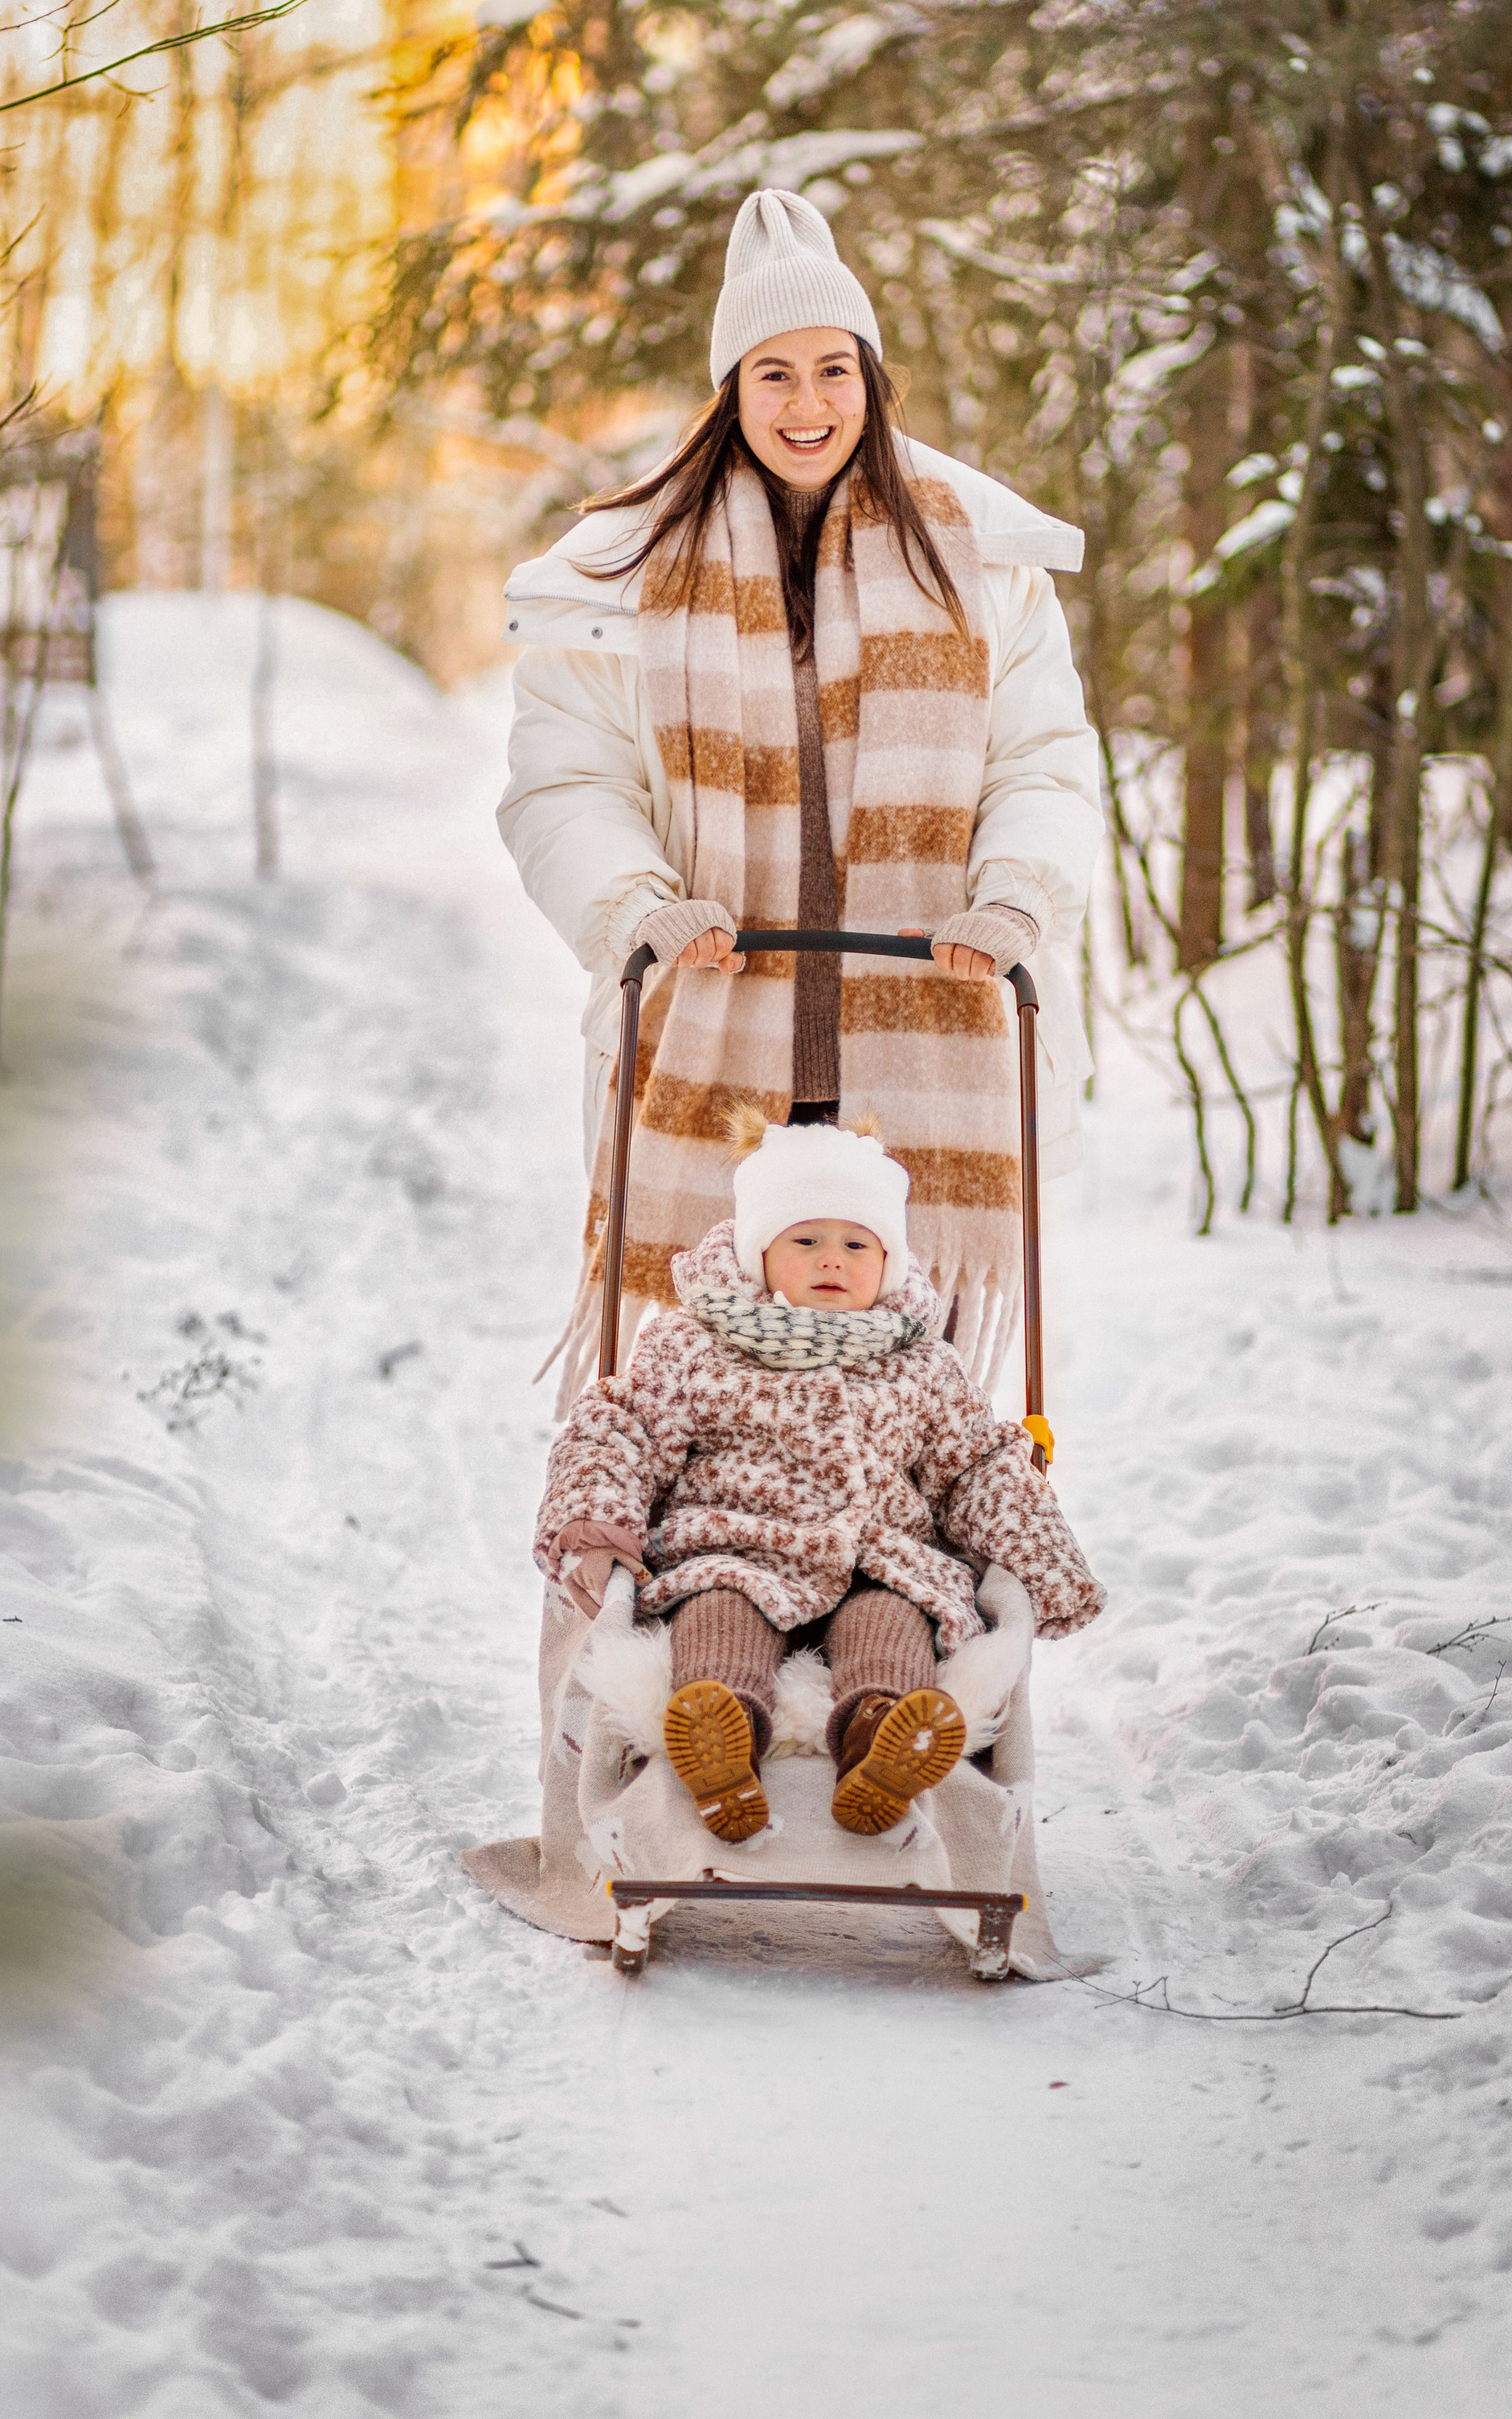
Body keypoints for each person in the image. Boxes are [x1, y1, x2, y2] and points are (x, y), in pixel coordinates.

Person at [498, 185, 1104, 1405]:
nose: (809, 404)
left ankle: (902, 1584)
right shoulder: (624, 581)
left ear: (874, 380)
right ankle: (708, 1578)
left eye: (835, 368)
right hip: (713, 1030)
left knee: (907, 1394)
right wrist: (635, 906)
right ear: (730, 393)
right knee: (711, 1381)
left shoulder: (980, 568)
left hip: (929, 1024)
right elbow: (566, 782)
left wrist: (1014, 897)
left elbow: (1043, 762)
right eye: (773, 374)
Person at [534, 1119, 1101, 1843]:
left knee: (896, 1620)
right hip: (734, 1547)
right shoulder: (695, 1345)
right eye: (806, 1239)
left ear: (889, 1261)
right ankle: (720, 1731)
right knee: (717, 1613)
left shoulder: (922, 1363)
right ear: (758, 1252)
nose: (833, 1258)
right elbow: (620, 1428)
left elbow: (976, 1464)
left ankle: (883, 1736)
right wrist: (596, 1516)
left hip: (880, 1558)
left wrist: (1043, 1558)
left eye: (857, 1244)